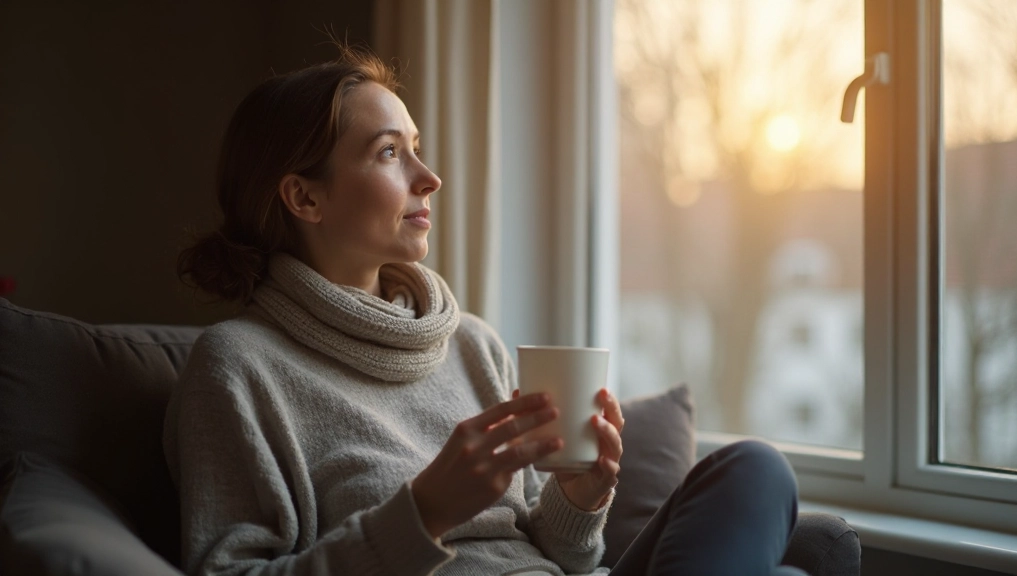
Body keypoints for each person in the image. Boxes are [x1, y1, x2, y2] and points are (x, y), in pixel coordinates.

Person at [164, 44, 808, 576]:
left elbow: (554, 556)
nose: (429, 177)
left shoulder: (471, 344)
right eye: (390, 152)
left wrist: (580, 501)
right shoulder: (237, 367)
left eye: (416, 146)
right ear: (305, 197)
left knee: (754, 470)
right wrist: (422, 513)